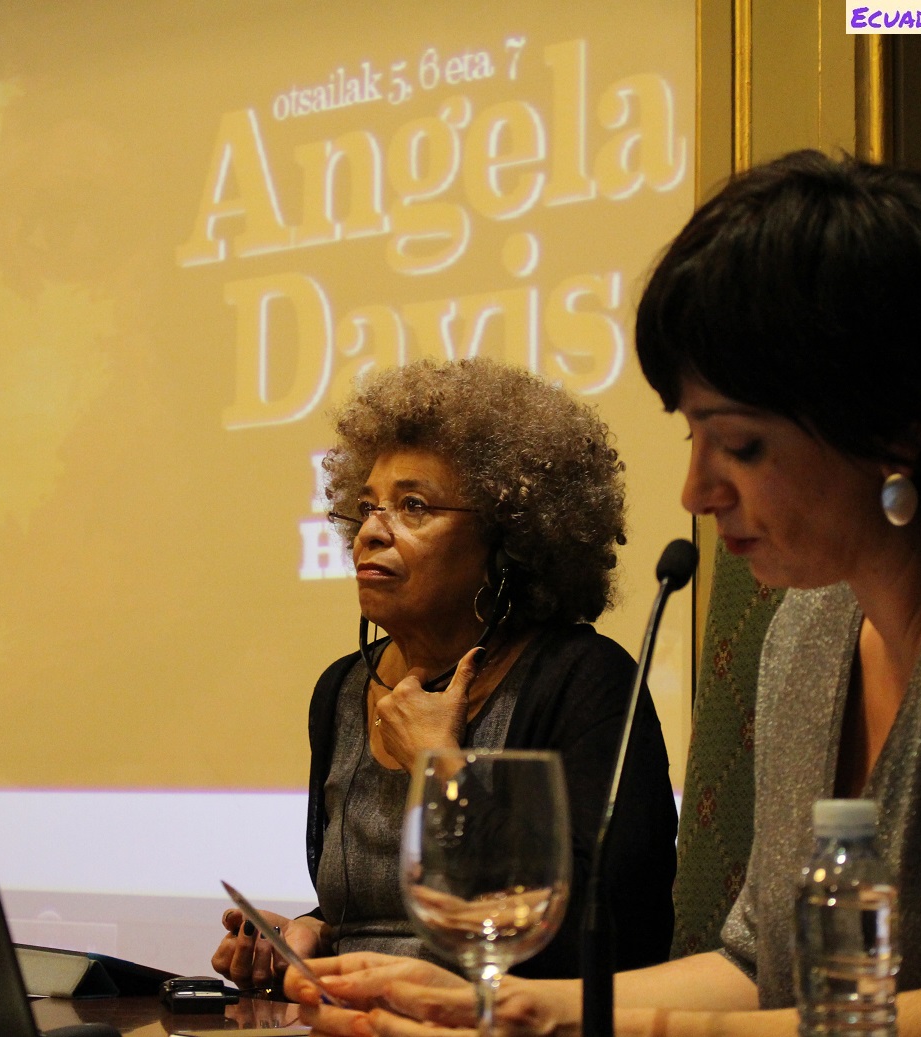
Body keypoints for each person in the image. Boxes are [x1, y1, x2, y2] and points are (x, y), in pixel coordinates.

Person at [283, 152, 921, 1035]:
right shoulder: (811, 625)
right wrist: (503, 1005)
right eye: (693, 438)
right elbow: (757, 965)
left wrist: (606, 1029)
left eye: (738, 444)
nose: (697, 491)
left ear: (894, 426)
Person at [212, 357, 679, 988]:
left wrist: (440, 768)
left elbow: (605, 932)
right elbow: (381, 911)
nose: (369, 533)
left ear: (508, 542)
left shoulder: (582, 680)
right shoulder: (341, 690)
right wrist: (312, 933)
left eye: (413, 506)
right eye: (366, 507)